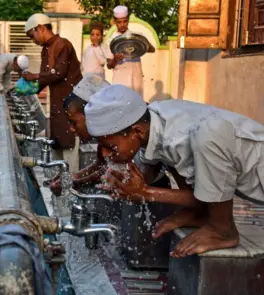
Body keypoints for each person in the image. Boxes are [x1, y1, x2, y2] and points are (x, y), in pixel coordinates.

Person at [84, 84, 264, 257]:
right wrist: (131, 185)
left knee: (210, 133)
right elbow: (196, 190)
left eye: (109, 146)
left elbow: (211, 192)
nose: (106, 153)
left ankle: (222, 229)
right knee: (175, 151)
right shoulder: (155, 122)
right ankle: (201, 215)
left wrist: (145, 192)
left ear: (137, 131)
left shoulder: (184, 136)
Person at [22, 13, 83, 172]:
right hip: (57, 105)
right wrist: (24, 90)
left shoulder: (63, 44)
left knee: (69, 143)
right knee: (56, 144)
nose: (32, 40)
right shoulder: (45, 50)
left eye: (32, 35)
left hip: (71, 104)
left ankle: (72, 184)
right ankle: (59, 184)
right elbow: (44, 79)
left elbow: (59, 73)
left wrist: (34, 76)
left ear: (41, 28)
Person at [104, 6, 155, 96]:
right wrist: (115, 60)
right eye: (119, 22)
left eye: (125, 21)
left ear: (128, 20)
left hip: (136, 79)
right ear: (115, 22)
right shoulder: (111, 41)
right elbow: (109, 65)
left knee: (136, 106)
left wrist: (142, 42)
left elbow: (152, 50)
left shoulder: (136, 36)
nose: (122, 24)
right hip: (120, 80)